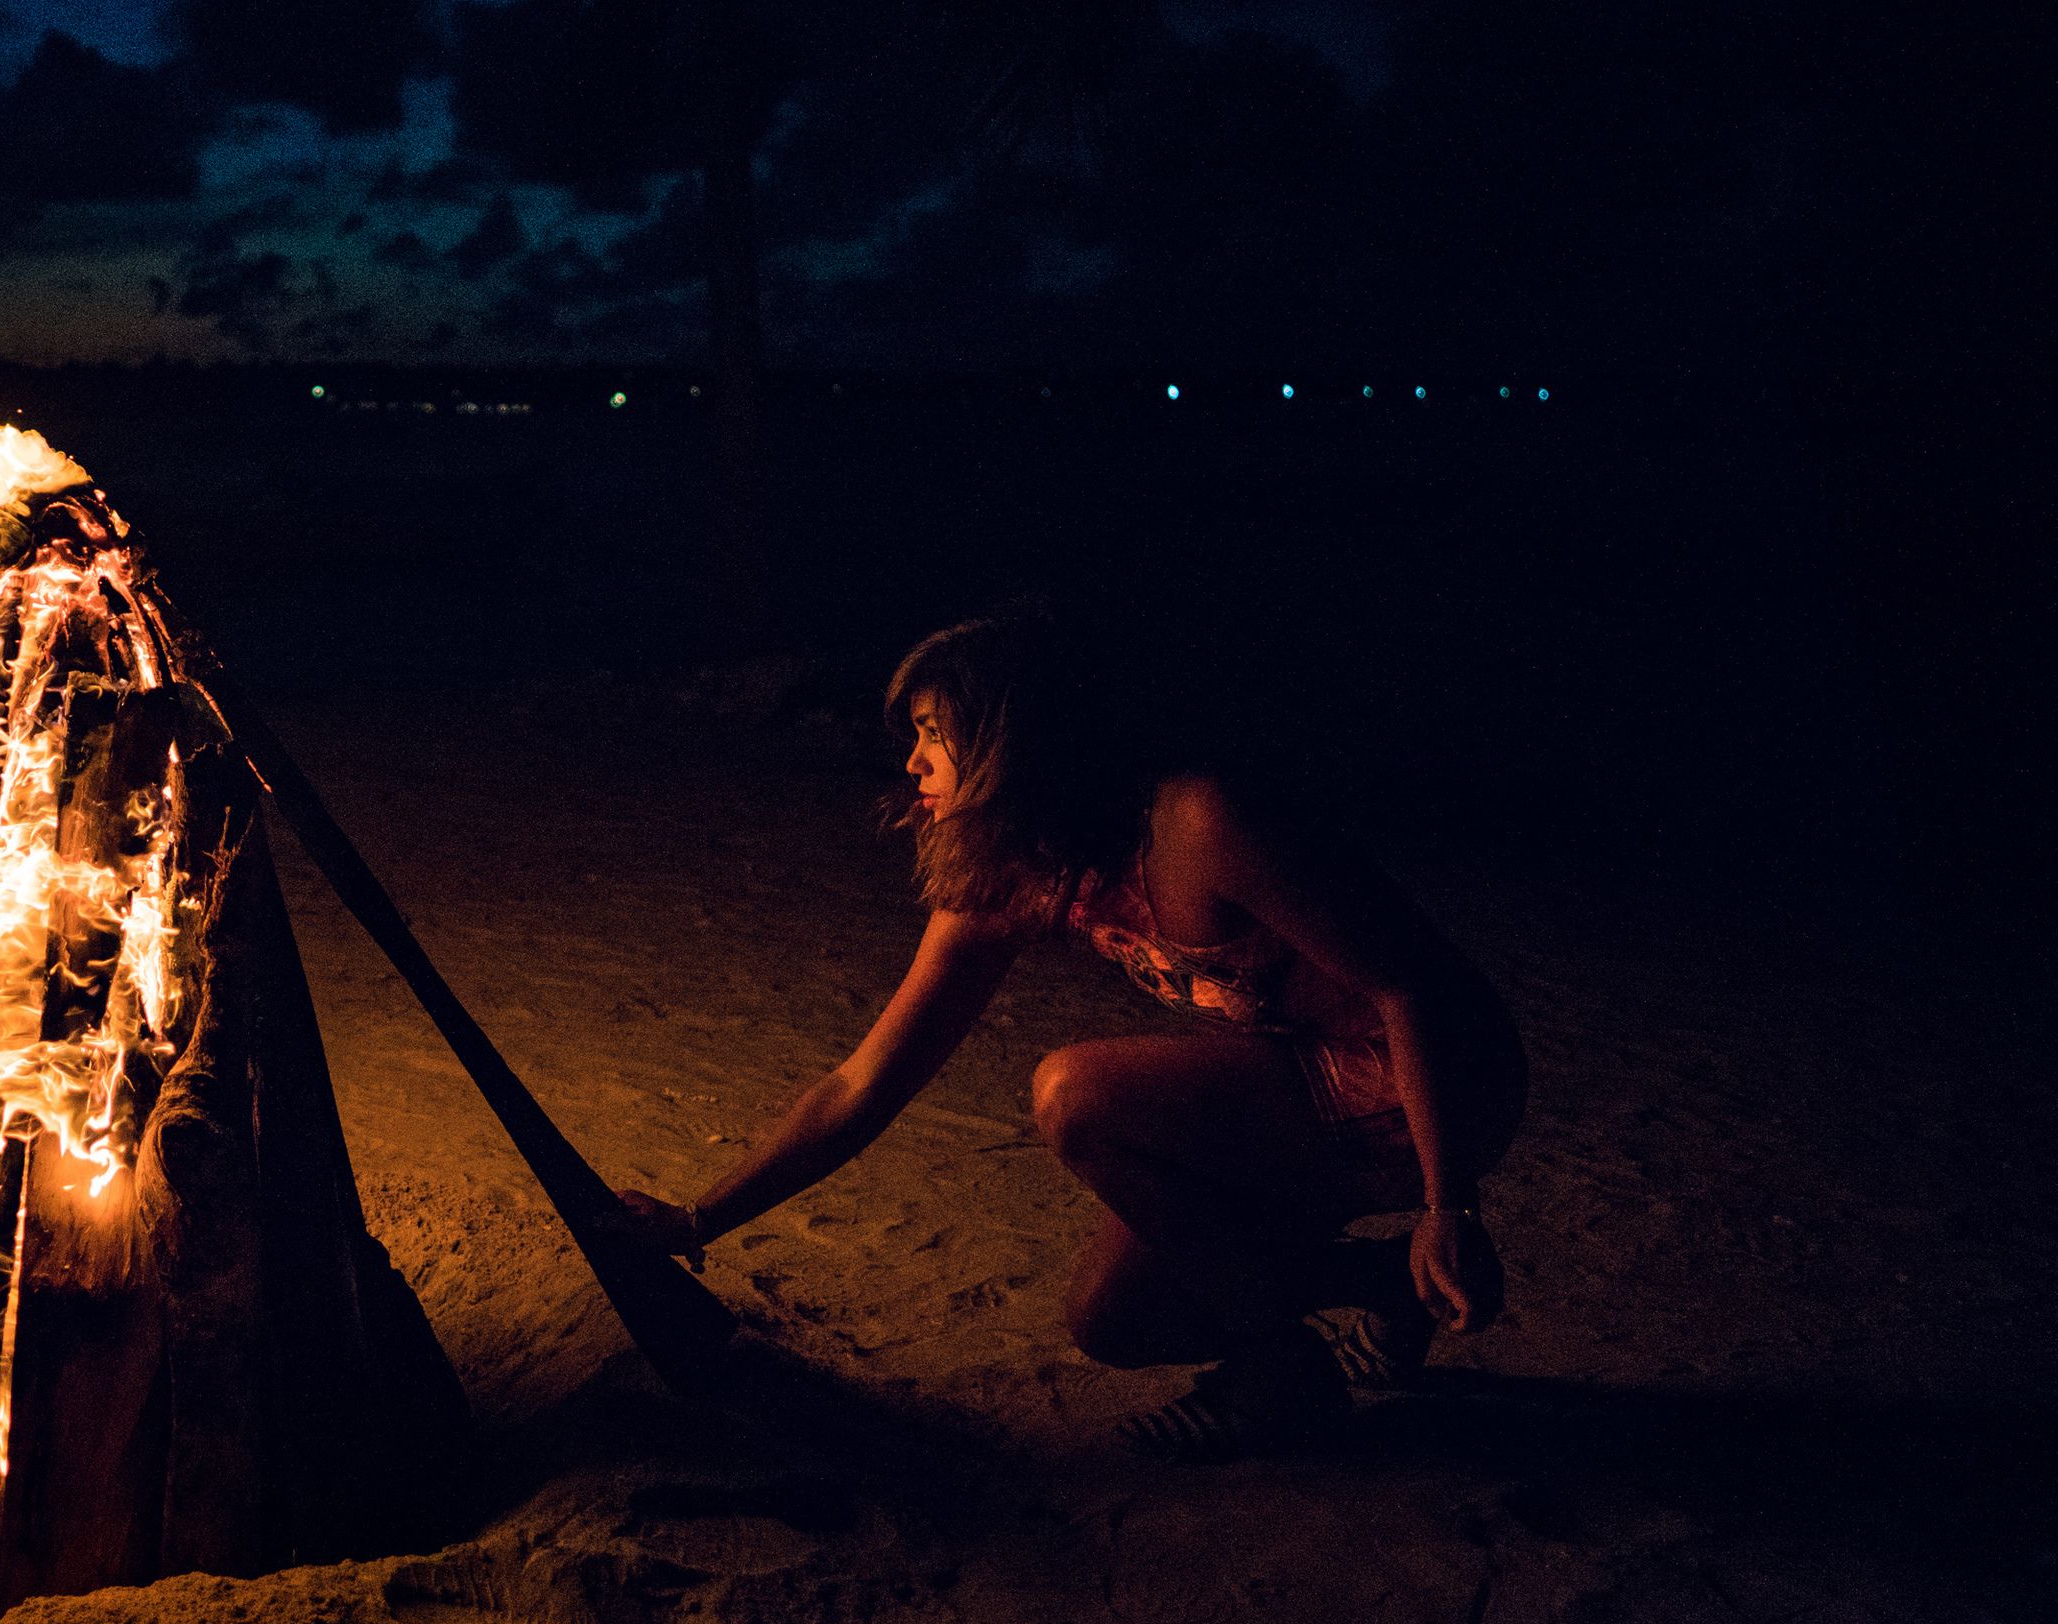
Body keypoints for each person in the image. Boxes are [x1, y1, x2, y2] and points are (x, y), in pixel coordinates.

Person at [615, 603, 1529, 1459]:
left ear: (1007, 742)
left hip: (1442, 1079)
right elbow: (863, 1084)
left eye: (934, 734)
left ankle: (1281, 1376)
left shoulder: (1198, 822)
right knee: (1112, 1319)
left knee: (1076, 1094)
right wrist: (701, 1216)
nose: (911, 763)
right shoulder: (1021, 873)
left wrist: (1450, 1208)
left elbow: (1409, 985)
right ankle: (1374, 1281)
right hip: (1298, 1085)